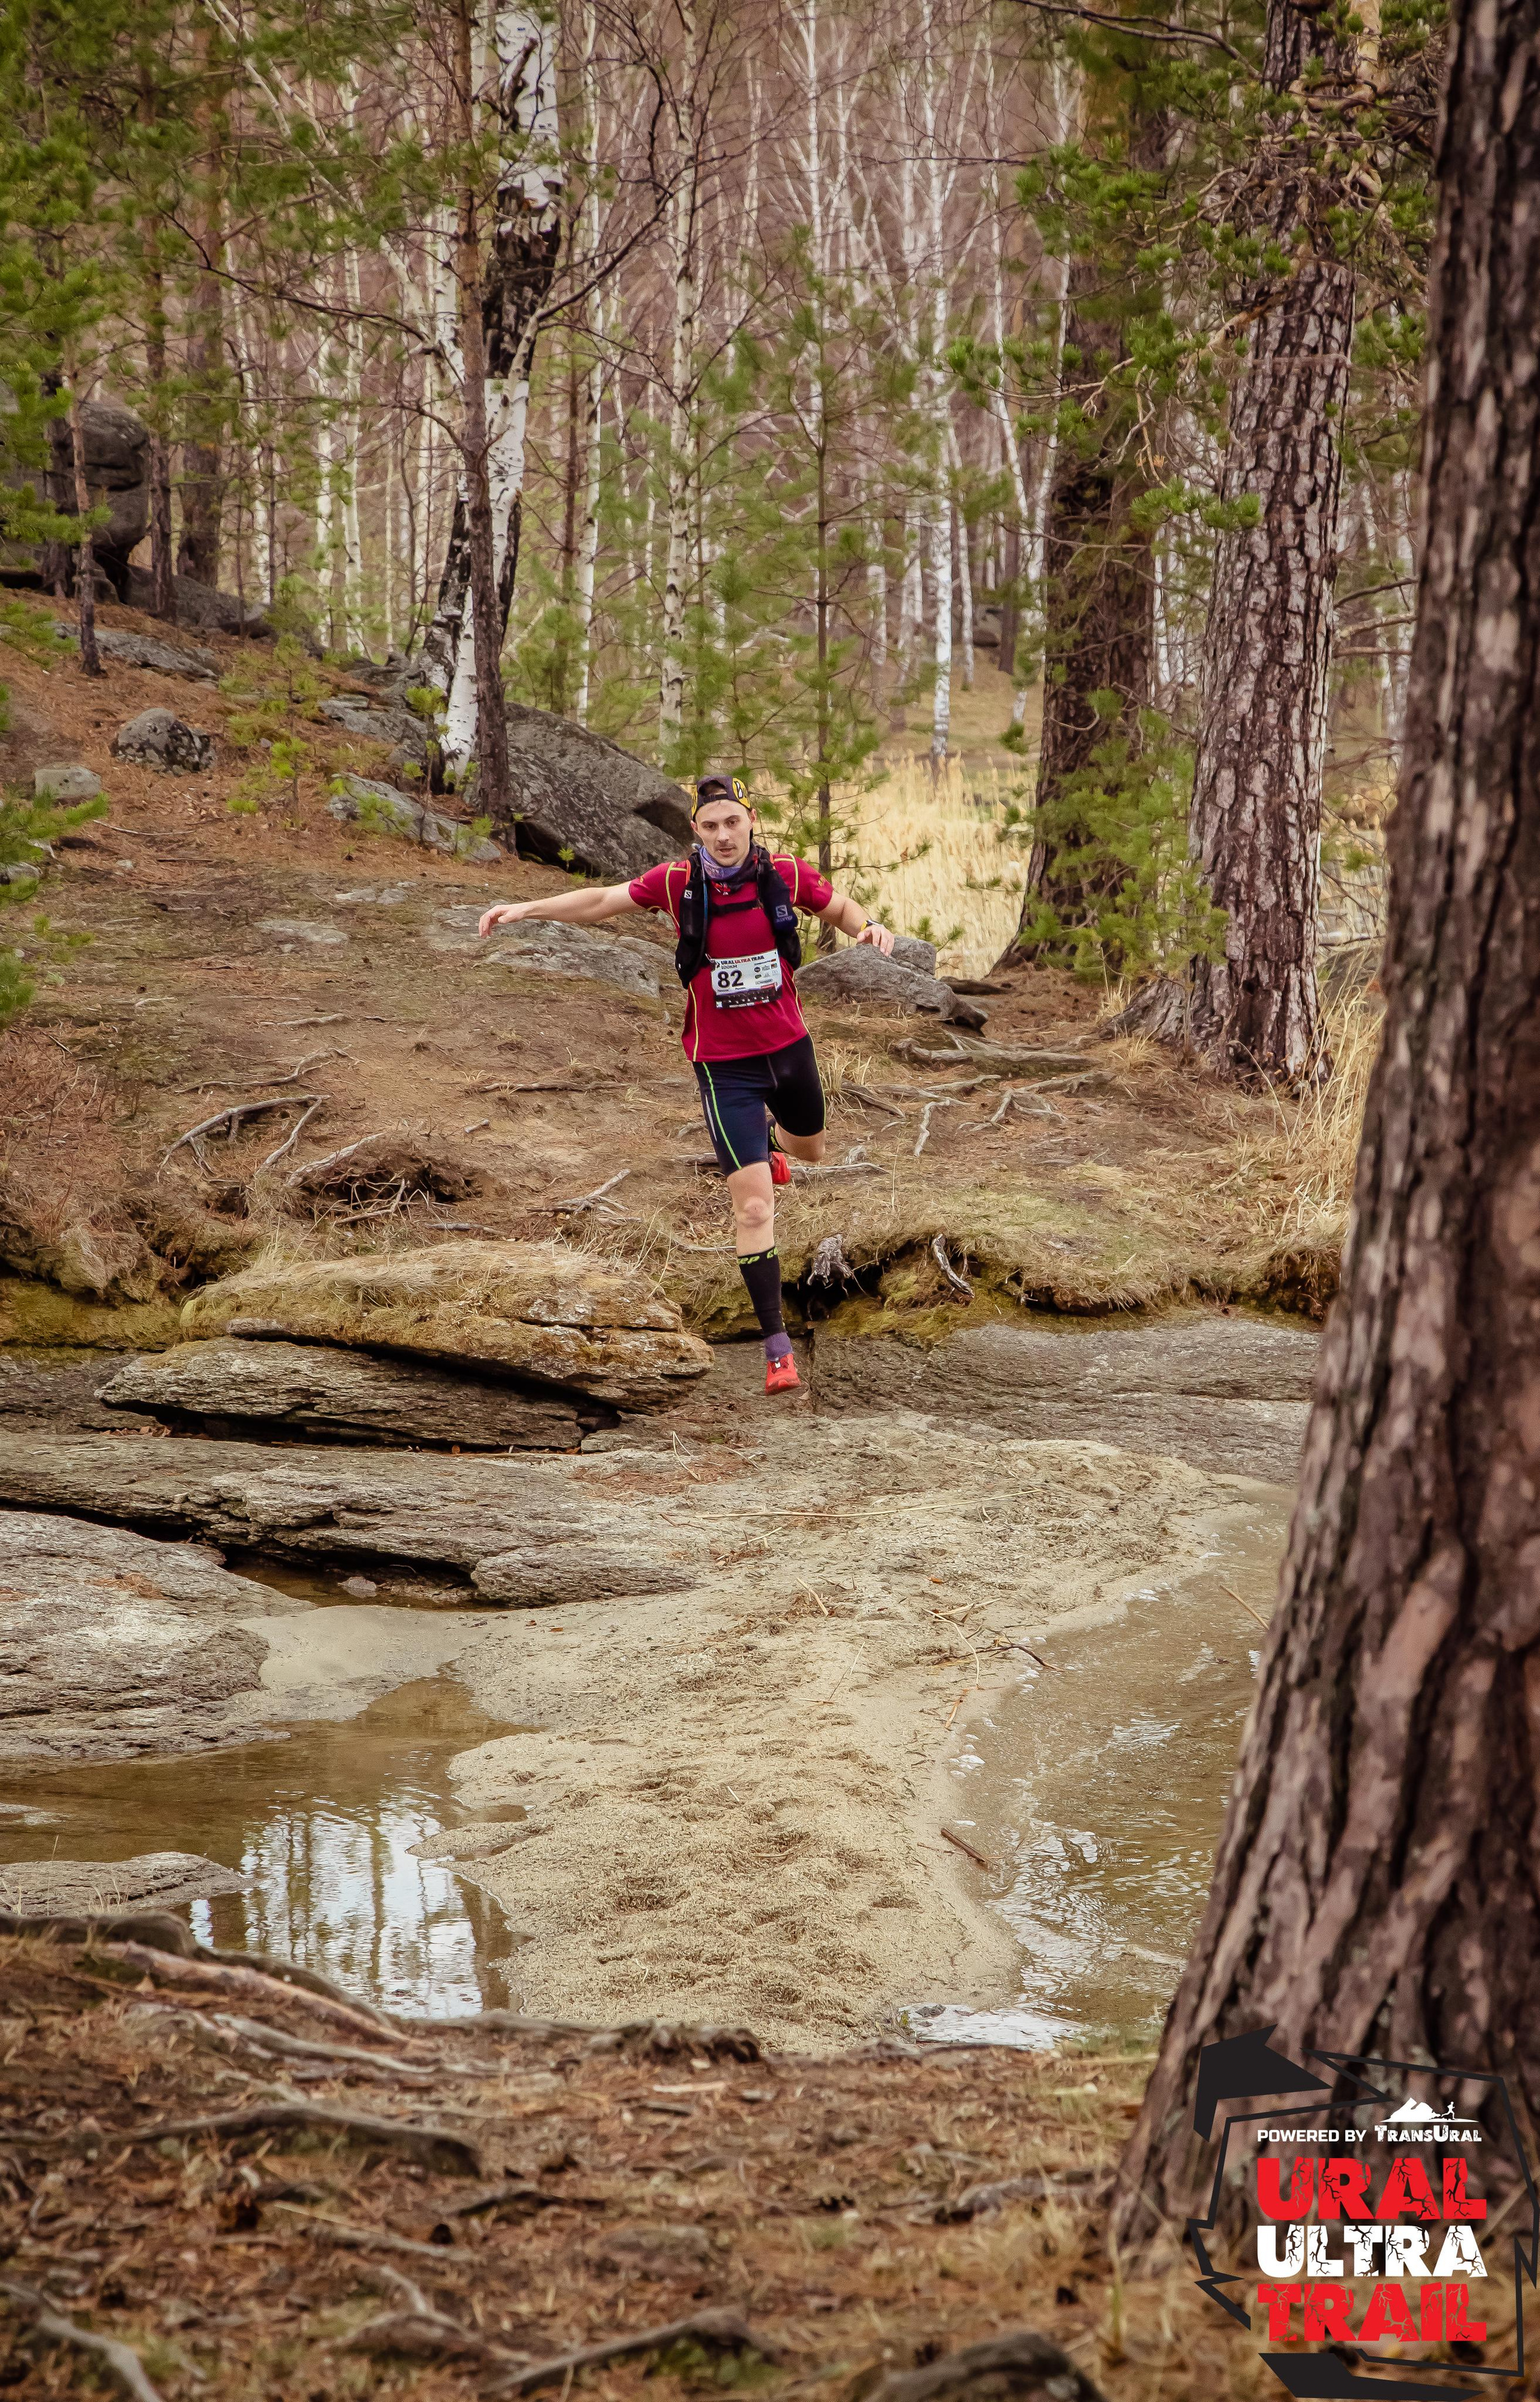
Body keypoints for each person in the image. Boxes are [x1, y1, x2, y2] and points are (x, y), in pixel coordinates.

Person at [479, 770, 894, 1394]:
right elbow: (600, 901)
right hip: (722, 1066)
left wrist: (866, 927)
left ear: (750, 821)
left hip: (789, 1050)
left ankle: (774, 1147)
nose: (723, 836)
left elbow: (835, 907)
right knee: (754, 1207)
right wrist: (526, 908)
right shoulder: (678, 884)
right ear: (695, 832)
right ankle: (777, 1349)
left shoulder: (783, 874)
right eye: (710, 826)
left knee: (811, 1150)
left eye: (733, 822)